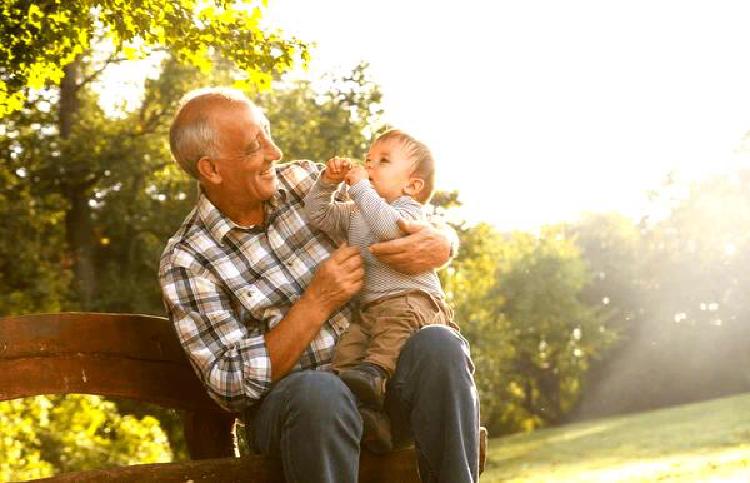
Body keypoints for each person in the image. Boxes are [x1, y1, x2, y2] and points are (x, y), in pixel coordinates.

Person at [159, 87, 480, 483]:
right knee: (320, 391)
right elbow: (230, 383)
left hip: (381, 388)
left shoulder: (305, 181)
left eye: (269, 135)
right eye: (253, 147)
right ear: (211, 169)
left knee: (439, 343)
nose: (274, 152)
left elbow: (399, 205)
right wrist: (316, 302)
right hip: (300, 413)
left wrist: (443, 240)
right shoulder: (188, 261)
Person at [303, 129, 458, 454]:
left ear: (412, 185)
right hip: (369, 311)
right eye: (367, 161)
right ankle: (370, 418)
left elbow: (388, 228)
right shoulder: (357, 210)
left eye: (383, 161)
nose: (370, 167)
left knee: (386, 343)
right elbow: (318, 215)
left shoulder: (410, 211)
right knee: (347, 356)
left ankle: (374, 373)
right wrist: (328, 183)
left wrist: (359, 186)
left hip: (412, 302)